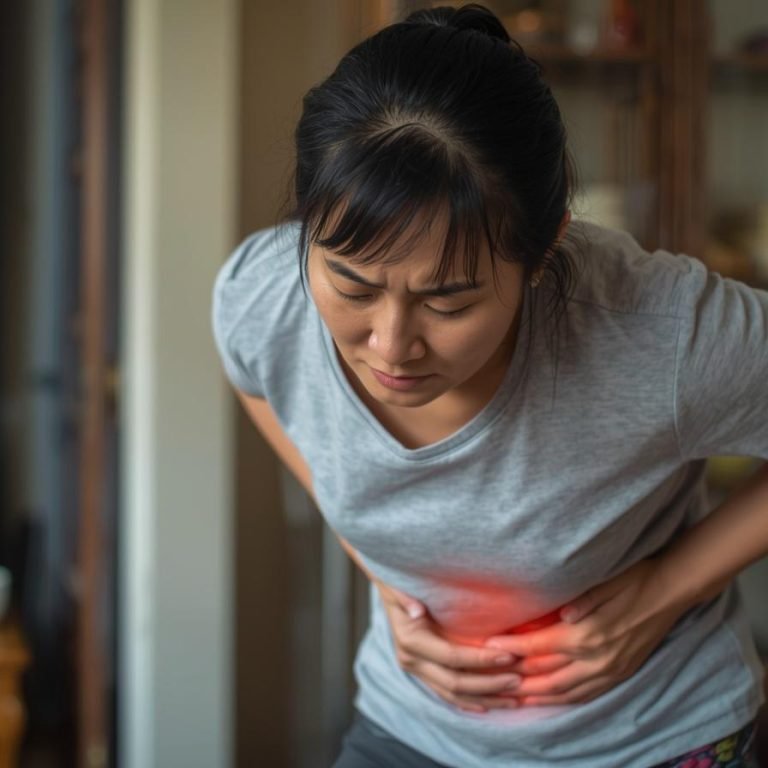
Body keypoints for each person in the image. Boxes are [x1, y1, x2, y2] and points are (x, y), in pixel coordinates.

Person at [211, 4, 768, 766]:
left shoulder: (655, 329)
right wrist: (382, 571)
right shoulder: (264, 295)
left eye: (449, 301)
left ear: (542, 254)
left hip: (648, 736)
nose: (391, 344)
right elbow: (250, 373)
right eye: (352, 284)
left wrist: (668, 587)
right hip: (411, 728)